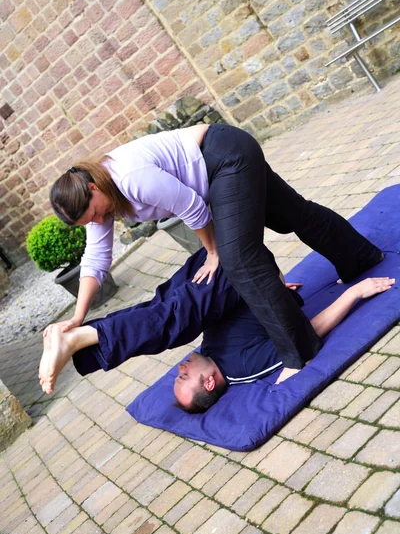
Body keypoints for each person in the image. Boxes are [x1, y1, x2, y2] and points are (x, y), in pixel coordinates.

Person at [49, 123, 384, 382]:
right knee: (293, 213)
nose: (95, 221)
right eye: (87, 221)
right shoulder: (98, 201)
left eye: (92, 214)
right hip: (220, 163)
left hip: (225, 156)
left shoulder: (130, 178)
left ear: (93, 188)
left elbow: (192, 207)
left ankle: (301, 351)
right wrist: (78, 316)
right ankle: (361, 257)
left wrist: (213, 252)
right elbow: (95, 260)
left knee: (238, 259)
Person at [39, 249, 394, 413]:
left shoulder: (211, 354)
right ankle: (79, 339)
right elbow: (306, 335)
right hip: (239, 266)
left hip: (222, 270)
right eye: (183, 378)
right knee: (172, 321)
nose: (179, 370)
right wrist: (354, 293)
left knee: (164, 309)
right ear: (209, 383)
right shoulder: (243, 367)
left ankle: (84, 339)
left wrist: (270, 294)